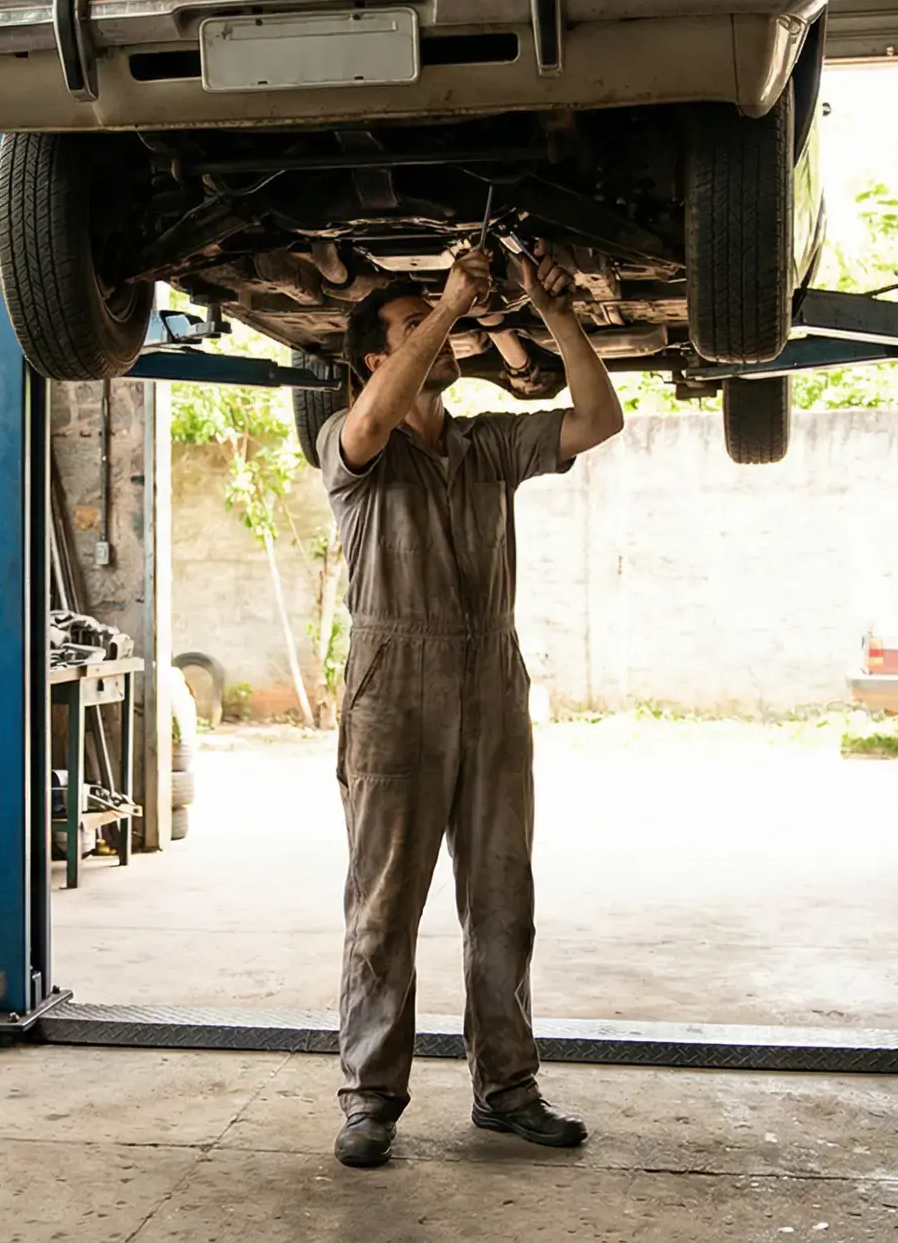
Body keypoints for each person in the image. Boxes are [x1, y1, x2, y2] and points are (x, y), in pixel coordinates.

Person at [314, 242, 625, 1169]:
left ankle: (508, 1088)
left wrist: (553, 309)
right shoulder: (351, 444)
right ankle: (371, 1097)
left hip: (491, 678)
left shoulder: (487, 445)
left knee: (502, 900)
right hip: (393, 686)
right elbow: (375, 418)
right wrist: (449, 303)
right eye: (415, 328)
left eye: (438, 324)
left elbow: (599, 418)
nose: (440, 336)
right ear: (377, 358)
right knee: (384, 906)